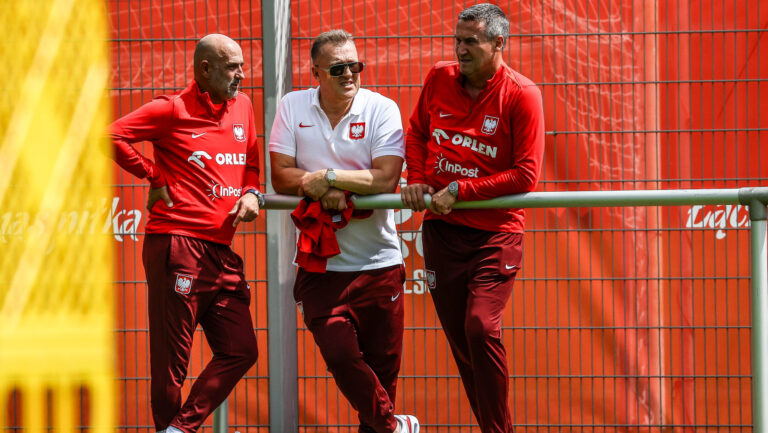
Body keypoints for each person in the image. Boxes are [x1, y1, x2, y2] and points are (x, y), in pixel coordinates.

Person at [401, 4, 545, 433]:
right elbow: (417, 133)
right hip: (442, 231)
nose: (460, 49)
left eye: (471, 42)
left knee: (481, 327)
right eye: (458, 40)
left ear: (499, 43)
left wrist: (460, 191)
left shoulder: (522, 94)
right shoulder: (438, 77)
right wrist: (418, 179)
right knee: (463, 344)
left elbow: (526, 174)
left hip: (495, 236)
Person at [109, 34, 263, 433]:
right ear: (205, 69)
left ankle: (179, 429)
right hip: (177, 246)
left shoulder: (243, 106)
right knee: (171, 365)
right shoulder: (171, 109)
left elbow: (250, 164)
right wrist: (154, 175)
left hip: (220, 252)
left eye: (242, 66)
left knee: (241, 349)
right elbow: (111, 136)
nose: (241, 75)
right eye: (232, 67)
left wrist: (250, 193)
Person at [269, 30, 420, 433]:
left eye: (355, 65)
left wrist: (331, 179)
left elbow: (387, 179)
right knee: (338, 354)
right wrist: (322, 186)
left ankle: (385, 425)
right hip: (321, 267)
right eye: (338, 68)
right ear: (315, 72)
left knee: (381, 380)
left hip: (380, 264)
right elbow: (281, 176)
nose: (349, 74)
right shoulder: (291, 105)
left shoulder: (382, 108)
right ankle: (395, 427)